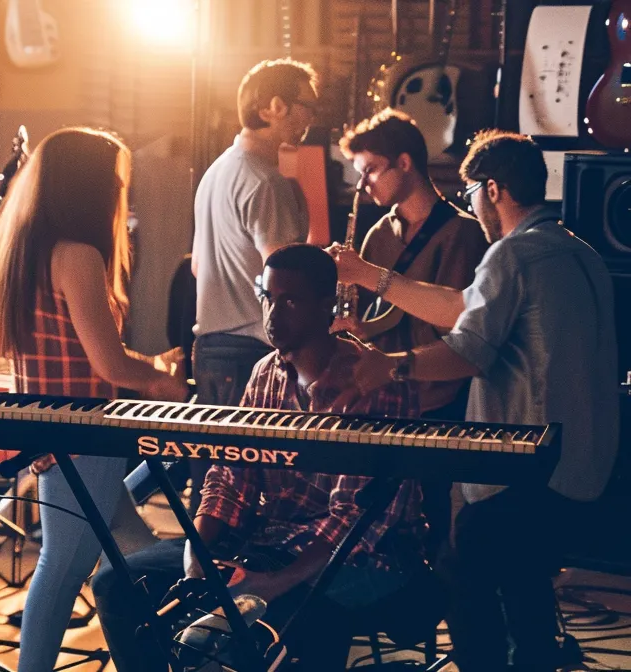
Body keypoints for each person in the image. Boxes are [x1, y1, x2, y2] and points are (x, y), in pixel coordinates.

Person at [334, 129, 619, 672]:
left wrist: (392, 365)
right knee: (524, 584)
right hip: (587, 465)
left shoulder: (511, 255)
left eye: (471, 195)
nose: (471, 206)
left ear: (493, 190)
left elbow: (466, 350)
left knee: (461, 569)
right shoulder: (576, 252)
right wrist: (372, 277)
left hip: (529, 467)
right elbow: (465, 306)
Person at [93, 244, 426, 671]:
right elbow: (232, 477)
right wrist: (197, 556)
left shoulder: (376, 382)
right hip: (271, 542)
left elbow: (356, 518)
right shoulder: (265, 373)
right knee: (116, 584)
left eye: (290, 300)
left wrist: (270, 585)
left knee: (277, 624)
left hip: (367, 557)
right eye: (267, 297)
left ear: (328, 305)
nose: (273, 313)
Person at [0, 127, 186, 671]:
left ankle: (157, 657)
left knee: (135, 554)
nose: (122, 194)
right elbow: (109, 365)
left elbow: (72, 349)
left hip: (51, 429)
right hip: (82, 435)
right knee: (63, 569)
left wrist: (152, 367)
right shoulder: (78, 256)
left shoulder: (24, 250)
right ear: (88, 186)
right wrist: (163, 379)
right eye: (116, 182)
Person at [335, 108, 489, 421]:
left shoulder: (463, 231)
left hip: (438, 402)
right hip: (383, 398)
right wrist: (356, 327)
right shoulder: (379, 232)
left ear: (404, 163)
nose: (363, 184)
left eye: (371, 170)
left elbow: (456, 324)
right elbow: (374, 319)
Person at [192, 58, 321, 407]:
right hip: (252, 351)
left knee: (218, 460)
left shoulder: (216, 172)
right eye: (307, 107)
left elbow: (197, 268)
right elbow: (285, 279)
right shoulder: (266, 180)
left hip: (210, 350)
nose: (311, 118)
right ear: (275, 108)